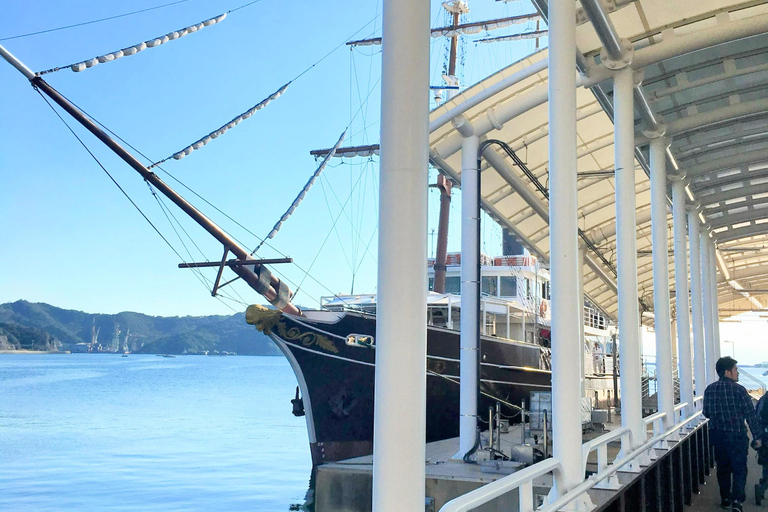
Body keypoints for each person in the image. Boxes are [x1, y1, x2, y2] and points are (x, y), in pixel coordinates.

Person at [703, 356, 762, 512]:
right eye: (736, 369)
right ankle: (737, 500)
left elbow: (706, 413)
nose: (738, 373)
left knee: (723, 467)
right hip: (736, 435)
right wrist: (757, 436)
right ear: (727, 372)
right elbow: (750, 415)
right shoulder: (740, 390)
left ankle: (725, 499)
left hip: (717, 435)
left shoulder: (710, 389)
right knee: (739, 468)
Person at [754, 392, 768, 505]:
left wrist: (758, 437)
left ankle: (762, 487)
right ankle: (762, 487)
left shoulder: (763, 399)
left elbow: (757, 419)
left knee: (766, 467)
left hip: (764, 439)